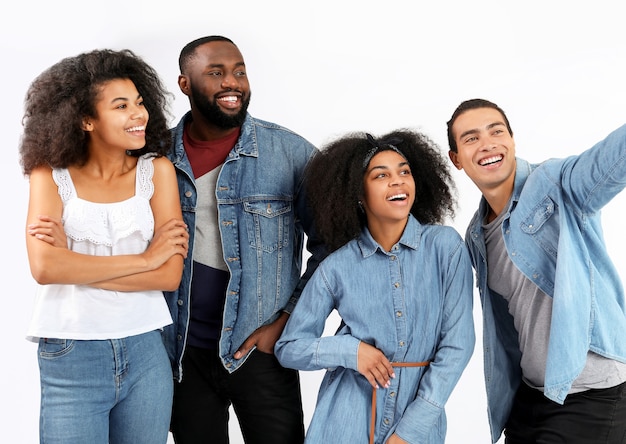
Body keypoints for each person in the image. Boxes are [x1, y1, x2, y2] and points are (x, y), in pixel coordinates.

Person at [20, 49, 189, 444]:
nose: (139, 114)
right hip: (71, 352)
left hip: (147, 348)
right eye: (121, 106)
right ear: (86, 119)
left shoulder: (157, 171)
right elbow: (45, 268)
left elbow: (168, 275)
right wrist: (144, 258)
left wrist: (75, 264)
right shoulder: (51, 176)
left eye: (140, 102)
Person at [163, 35, 325, 444]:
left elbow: (333, 246)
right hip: (182, 354)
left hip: (261, 351)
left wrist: (286, 321)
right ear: (185, 84)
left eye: (239, 71)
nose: (231, 82)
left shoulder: (289, 152)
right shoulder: (155, 156)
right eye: (215, 73)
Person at [275, 130, 475, 444]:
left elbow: (457, 346)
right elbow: (290, 347)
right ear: (357, 193)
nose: (398, 181)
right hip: (345, 419)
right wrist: (350, 351)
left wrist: (411, 431)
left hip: (418, 421)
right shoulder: (337, 267)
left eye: (404, 172)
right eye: (382, 175)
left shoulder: (445, 248)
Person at [447, 98, 626, 444]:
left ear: (512, 141)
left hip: (591, 391)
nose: (487, 143)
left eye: (496, 131)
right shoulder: (476, 235)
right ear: (456, 159)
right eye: (470, 138)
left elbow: (607, 163)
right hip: (530, 396)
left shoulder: (554, 183)